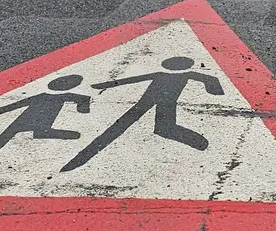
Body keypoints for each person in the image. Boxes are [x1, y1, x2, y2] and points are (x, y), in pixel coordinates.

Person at [59, 56, 224, 172]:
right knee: (123, 126)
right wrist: (104, 84)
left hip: (165, 102)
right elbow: (131, 79)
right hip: (145, 103)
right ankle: (81, 159)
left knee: (161, 128)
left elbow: (210, 80)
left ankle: (198, 141)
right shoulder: (163, 74)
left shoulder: (189, 75)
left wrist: (214, 90)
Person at [0, 75, 92, 171]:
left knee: (3, 138)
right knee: (1, 140)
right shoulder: (47, 96)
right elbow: (14, 105)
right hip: (21, 122)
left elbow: (83, 109)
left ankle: (41, 133)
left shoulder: (72, 96)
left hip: (34, 124)